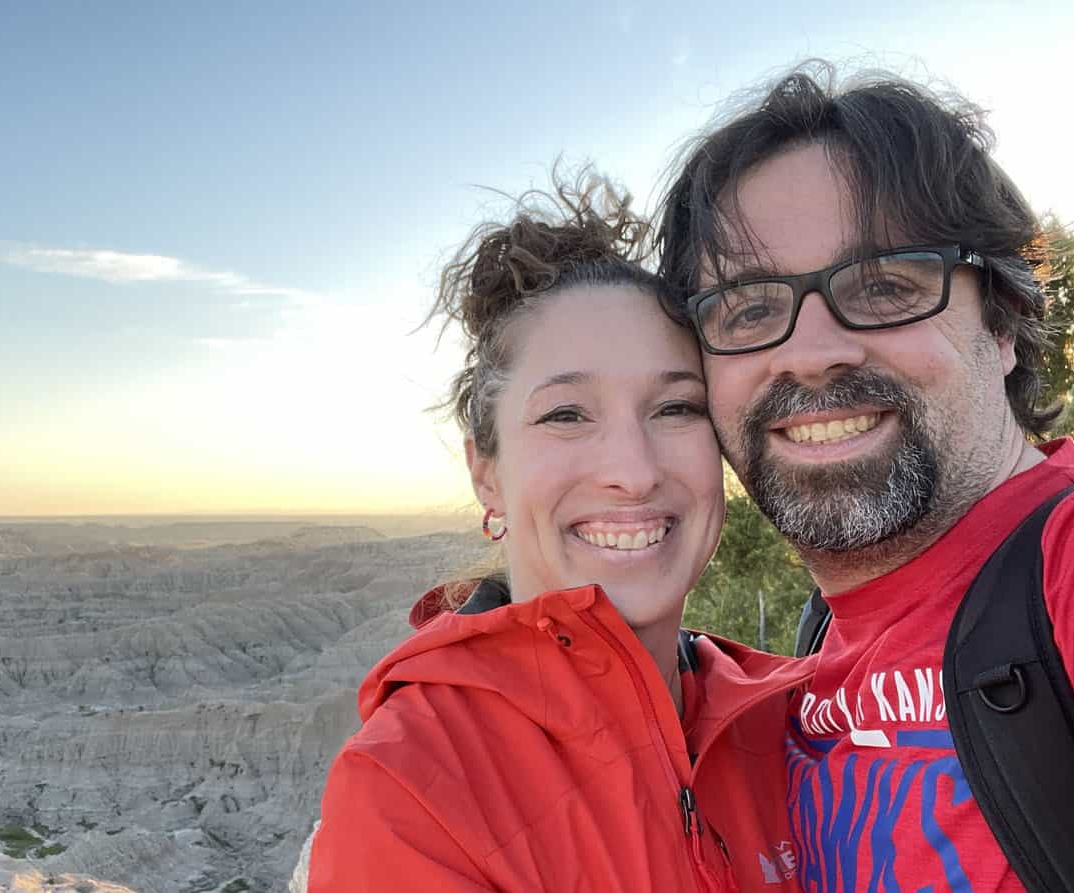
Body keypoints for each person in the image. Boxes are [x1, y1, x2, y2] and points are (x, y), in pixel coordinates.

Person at [654, 63, 1074, 891]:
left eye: (885, 284)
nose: (812, 352)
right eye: (747, 308)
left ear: (1002, 323)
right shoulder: (804, 672)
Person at [309, 174, 811, 892]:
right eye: (567, 414)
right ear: (486, 469)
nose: (633, 472)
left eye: (676, 407)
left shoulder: (798, 719)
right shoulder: (410, 789)